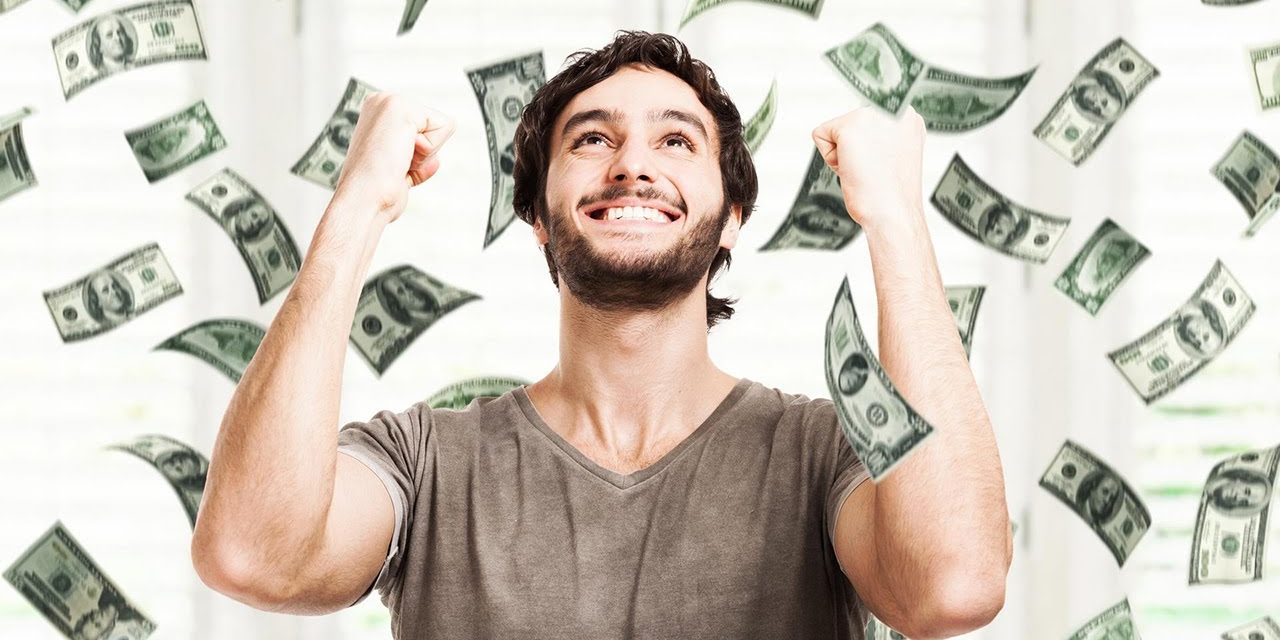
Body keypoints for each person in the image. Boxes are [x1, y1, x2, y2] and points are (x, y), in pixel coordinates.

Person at [192, 31, 1011, 638]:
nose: (630, 164)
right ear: (540, 222)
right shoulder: (424, 463)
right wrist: (356, 209)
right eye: (591, 139)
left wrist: (896, 220)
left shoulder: (824, 455)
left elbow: (955, 588)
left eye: (676, 141)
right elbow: (253, 556)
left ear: (731, 220)